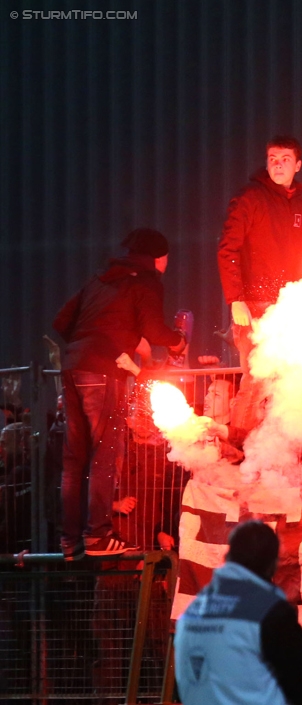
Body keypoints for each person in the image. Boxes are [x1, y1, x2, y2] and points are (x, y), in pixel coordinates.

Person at [52, 228, 186, 559]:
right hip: (101, 371)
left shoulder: (99, 278)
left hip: (71, 367)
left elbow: (61, 322)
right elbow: (155, 330)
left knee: (74, 458)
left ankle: (69, 540)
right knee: (105, 453)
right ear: (159, 257)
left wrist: (92, 339)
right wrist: (179, 339)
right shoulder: (147, 280)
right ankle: (98, 536)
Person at [218, 135, 302, 434]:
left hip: (285, 307)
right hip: (254, 305)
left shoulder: (298, 204)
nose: (278, 164)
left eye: (285, 158)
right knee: (256, 381)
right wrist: (236, 299)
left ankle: (273, 454)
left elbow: (300, 255)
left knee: (287, 383)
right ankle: (240, 452)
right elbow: (227, 249)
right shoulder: (250, 197)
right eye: (273, 158)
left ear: (298, 164)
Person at [174, 520, 302, 705]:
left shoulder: (192, 611)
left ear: (229, 556)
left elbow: (184, 683)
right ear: (271, 563)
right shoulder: (268, 611)